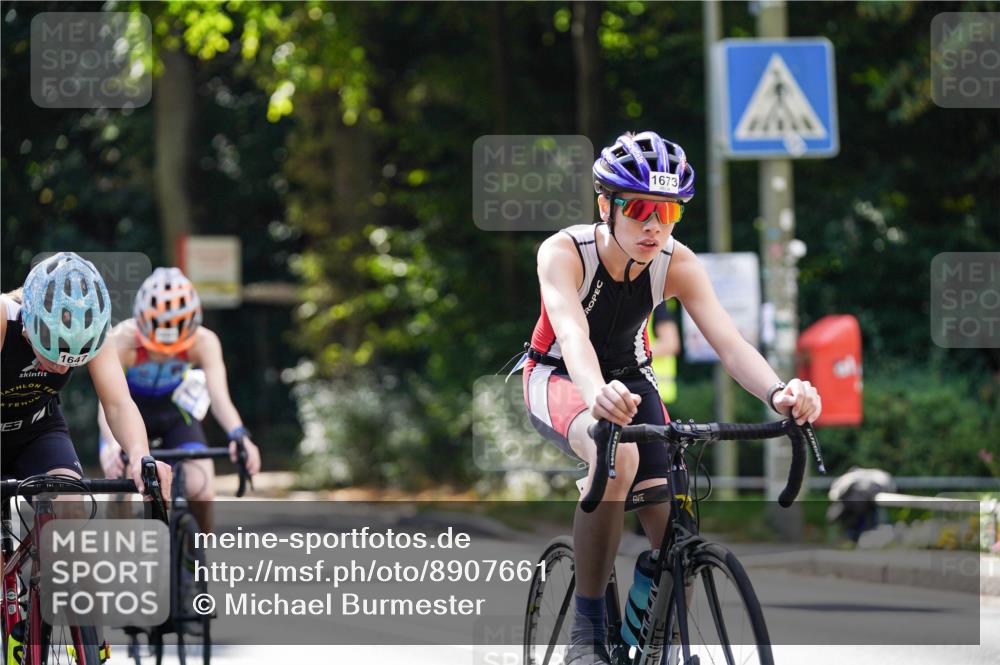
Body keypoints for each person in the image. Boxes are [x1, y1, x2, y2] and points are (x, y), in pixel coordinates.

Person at [521, 131, 822, 665]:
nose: (654, 226)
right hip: (561, 375)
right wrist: (596, 397)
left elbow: (729, 344)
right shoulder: (564, 252)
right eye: (638, 209)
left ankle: (659, 640)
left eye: (668, 213)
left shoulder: (676, 262)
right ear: (605, 206)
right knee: (620, 455)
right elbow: (571, 334)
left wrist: (781, 392)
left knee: (674, 525)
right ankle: (588, 631)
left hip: (632, 376)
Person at [97, 267, 261, 532]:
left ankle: (195, 562)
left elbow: (220, 398)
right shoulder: (122, 340)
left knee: (202, 491)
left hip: (176, 416)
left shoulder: (205, 342)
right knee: (122, 492)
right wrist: (114, 445)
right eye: (155, 345)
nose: (163, 354)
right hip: (130, 415)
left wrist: (239, 434)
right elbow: (109, 405)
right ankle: (120, 561)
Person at [1, 252, 171, 496]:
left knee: (71, 506)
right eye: (54, 351)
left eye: (75, 358)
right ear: (29, 325)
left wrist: (141, 458)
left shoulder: (97, 329)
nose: (62, 368)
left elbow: (118, 404)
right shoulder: (3, 318)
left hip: (37, 430)